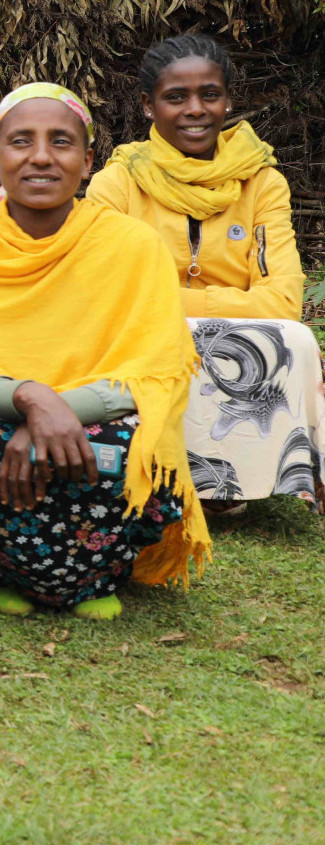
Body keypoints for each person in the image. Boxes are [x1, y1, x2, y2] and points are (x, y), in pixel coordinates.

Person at [0, 84, 209, 619]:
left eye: (62, 142)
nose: (42, 157)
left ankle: (99, 574)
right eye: (21, 141)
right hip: (0, 418)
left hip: (98, 416)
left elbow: (155, 371)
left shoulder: (132, 246)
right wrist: (29, 398)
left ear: (88, 159)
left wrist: (56, 411)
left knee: (122, 452)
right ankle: (8, 569)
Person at [86, 34, 322, 511]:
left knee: (294, 338)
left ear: (228, 100)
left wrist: (168, 300)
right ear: (148, 106)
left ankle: (241, 477)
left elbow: (283, 302)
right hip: (144, 337)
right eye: (176, 97)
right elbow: (106, 295)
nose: (195, 109)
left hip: (240, 342)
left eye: (209, 95)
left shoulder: (262, 182)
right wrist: (220, 305)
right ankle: (169, 474)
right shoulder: (118, 183)